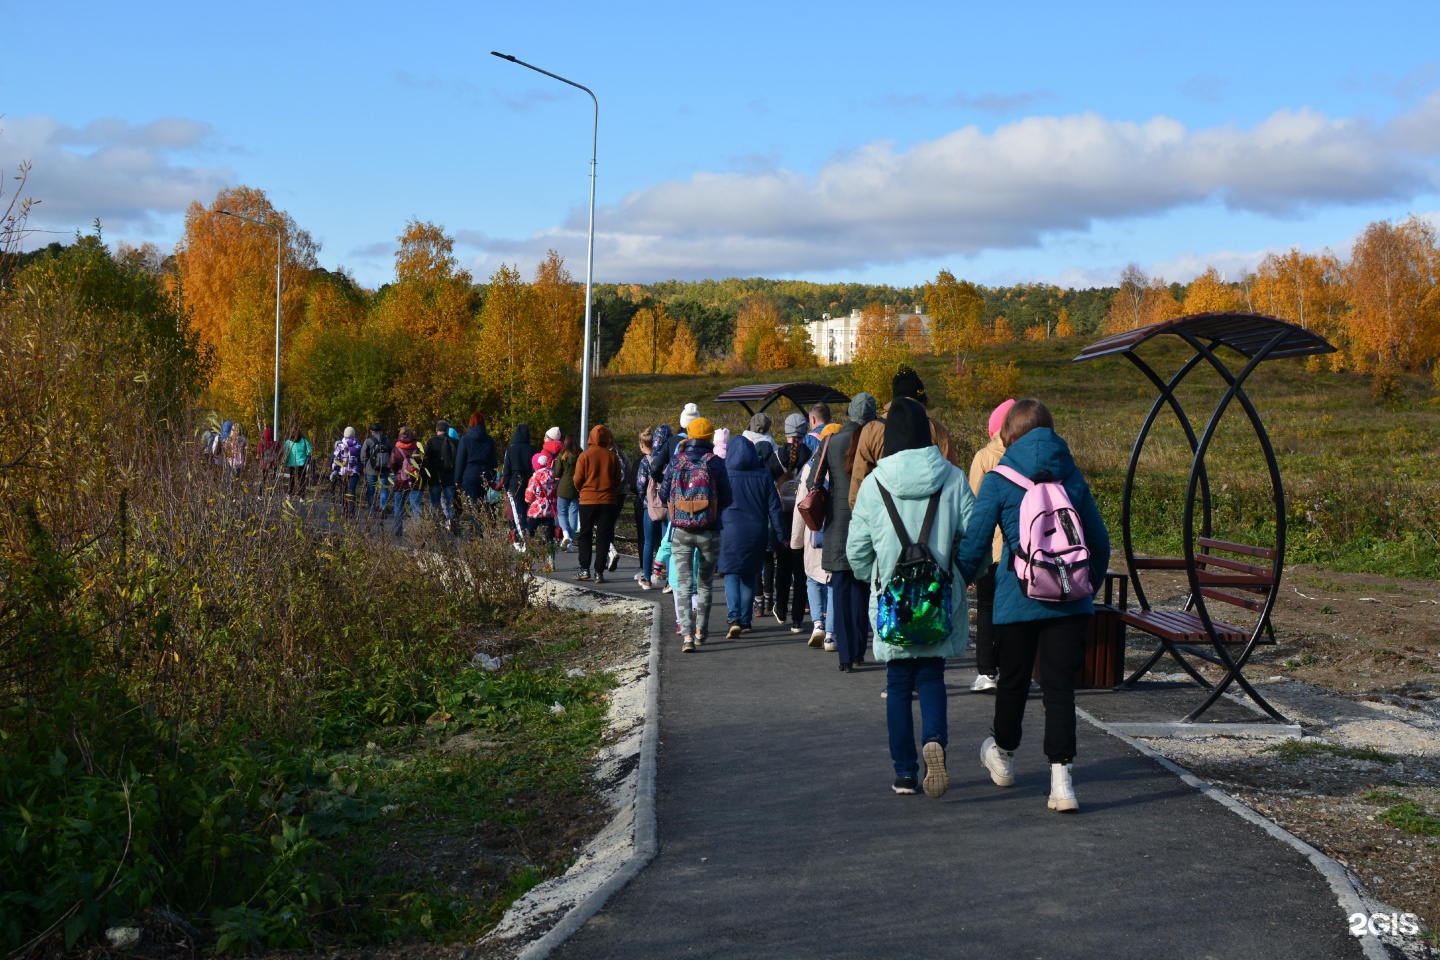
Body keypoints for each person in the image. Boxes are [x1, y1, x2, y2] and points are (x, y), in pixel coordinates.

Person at [956, 399, 1111, 814]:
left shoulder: (999, 477)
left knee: (1014, 683)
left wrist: (961, 578)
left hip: (1016, 597)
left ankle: (1004, 758)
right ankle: (1062, 783)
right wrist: (1083, 587)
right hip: (1069, 604)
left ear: (1009, 433)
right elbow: (1099, 542)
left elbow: (974, 543)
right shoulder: (1072, 476)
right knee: (1059, 690)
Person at [848, 396, 974, 798]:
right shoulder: (953, 479)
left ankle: (904, 773)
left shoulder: (874, 484)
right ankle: (934, 740)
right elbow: (974, 538)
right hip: (937, 601)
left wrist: (880, 580)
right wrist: (959, 575)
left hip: (893, 602)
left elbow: (857, 552)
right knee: (932, 675)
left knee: (899, 684)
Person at [659, 417, 732, 653]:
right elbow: (728, 497)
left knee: (683, 584)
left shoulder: (676, 461)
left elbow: (663, 494)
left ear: (688, 435)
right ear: (711, 437)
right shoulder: (716, 463)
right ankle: (702, 631)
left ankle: (687, 636)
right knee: (705, 584)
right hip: (709, 530)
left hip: (681, 531)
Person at [849, 367, 962, 510]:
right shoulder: (937, 430)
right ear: (920, 397)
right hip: (928, 517)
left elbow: (859, 480)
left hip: (884, 516)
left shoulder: (871, 430)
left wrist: (864, 517)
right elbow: (952, 480)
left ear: (895, 396)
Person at [823, 394, 877, 671]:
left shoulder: (831, 442)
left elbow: (813, 481)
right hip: (866, 522)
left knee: (840, 590)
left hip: (837, 524)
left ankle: (845, 656)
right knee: (862, 589)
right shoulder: (876, 441)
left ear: (848, 413)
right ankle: (859, 650)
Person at [967, 399, 1016, 692]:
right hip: (1018, 551)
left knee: (985, 609)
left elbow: (972, 508)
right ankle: (1009, 668)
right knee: (1011, 612)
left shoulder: (983, 458)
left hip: (988, 551)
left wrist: (970, 558)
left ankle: (987, 673)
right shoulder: (1024, 457)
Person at [718, 436, 785, 639]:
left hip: (729, 530)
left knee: (731, 574)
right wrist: (782, 535)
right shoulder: (763, 475)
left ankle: (734, 618)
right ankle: (746, 620)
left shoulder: (724, 473)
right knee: (749, 574)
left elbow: (717, 503)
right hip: (757, 531)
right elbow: (775, 508)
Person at [768, 415, 811, 631]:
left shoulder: (775, 458)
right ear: (805, 432)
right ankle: (797, 619)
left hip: (781, 520)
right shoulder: (811, 457)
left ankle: (781, 609)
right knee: (801, 570)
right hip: (804, 518)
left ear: (785, 433)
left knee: (782, 567)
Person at [571, 424, 623, 582]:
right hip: (608, 500)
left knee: (585, 534)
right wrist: (610, 490)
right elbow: (617, 480)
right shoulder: (613, 457)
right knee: (603, 536)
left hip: (587, 499)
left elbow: (577, 479)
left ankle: (584, 568)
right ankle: (599, 571)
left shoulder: (585, 456)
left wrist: (583, 491)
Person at [790, 449, 831, 647]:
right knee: (834, 581)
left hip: (814, 529)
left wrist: (796, 541)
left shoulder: (810, 469)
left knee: (813, 578)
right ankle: (831, 632)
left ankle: (817, 624)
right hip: (838, 531)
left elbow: (801, 505)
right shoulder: (849, 463)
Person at [640, 424, 674, 588]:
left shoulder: (646, 460)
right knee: (666, 543)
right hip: (667, 506)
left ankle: (646, 578)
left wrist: (644, 498)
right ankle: (668, 580)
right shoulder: (672, 460)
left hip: (650, 506)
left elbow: (640, 484)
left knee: (648, 543)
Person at [454, 414, 498, 528]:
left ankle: (478, 532)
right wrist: (491, 477)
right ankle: (482, 531)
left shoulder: (465, 439)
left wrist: (457, 479)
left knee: (473, 505)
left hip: (469, 475)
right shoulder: (489, 440)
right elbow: (493, 461)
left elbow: (460, 460)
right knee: (481, 503)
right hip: (484, 475)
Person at [502, 425, 537, 545]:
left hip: (514, 481)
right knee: (527, 508)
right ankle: (526, 531)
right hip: (529, 480)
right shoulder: (532, 449)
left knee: (517, 509)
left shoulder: (510, 449)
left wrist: (505, 484)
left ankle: (521, 532)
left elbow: (506, 469)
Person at [388, 426, 424, 535]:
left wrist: (398, 473)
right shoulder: (417, 447)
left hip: (400, 481)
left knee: (398, 505)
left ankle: (398, 529)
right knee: (416, 506)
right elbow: (424, 463)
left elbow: (392, 464)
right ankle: (419, 531)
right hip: (416, 480)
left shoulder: (396, 448)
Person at [424, 419, 459, 527]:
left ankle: (435, 524)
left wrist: (425, 477)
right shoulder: (455, 442)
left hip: (434, 477)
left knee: (435, 503)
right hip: (450, 477)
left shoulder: (431, 442)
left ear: (436, 430)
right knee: (449, 503)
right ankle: (450, 522)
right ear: (447, 430)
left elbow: (426, 461)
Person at [524, 451, 559, 551]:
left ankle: (527, 556)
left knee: (530, 532)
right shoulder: (552, 475)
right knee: (549, 536)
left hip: (537, 509)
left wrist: (529, 500)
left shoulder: (535, 477)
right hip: (550, 508)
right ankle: (550, 561)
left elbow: (529, 496)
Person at [554, 432, 581, 551]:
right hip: (576, 488)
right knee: (573, 514)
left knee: (561, 513)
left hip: (563, 488)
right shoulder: (581, 454)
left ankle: (565, 533)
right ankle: (570, 540)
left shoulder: (562, 455)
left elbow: (557, 473)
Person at [361, 423, 392, 517]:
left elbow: (363, 456)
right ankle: (383, 508)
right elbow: (392, 453)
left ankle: (372, 510)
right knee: (384, 489)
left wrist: (365, 464)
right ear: (380, 430)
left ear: (371, 431)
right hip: (385, 469)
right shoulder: (386, 440)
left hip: (371, 469)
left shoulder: (368, 441)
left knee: (371, 489)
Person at [331, 426, 362, 516]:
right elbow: (360, 460)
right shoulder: (358, 446)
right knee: (352, 491)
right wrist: (360, 469)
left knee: (343, 491)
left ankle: (344, 510)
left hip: (343, 471)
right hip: (354, 472)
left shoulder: (340, 446)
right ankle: (352, 512)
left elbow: (336, 459)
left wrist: (334, 470)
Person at [282, 426, 312, 499]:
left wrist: (286, 461)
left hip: (292, 463)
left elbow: (286, 453)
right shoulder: (304, 441)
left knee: (291, 480)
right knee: (302, 480)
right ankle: (302, 496)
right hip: (302, 463)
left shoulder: (288, 442)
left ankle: (289, 494)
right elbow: (309, 452)